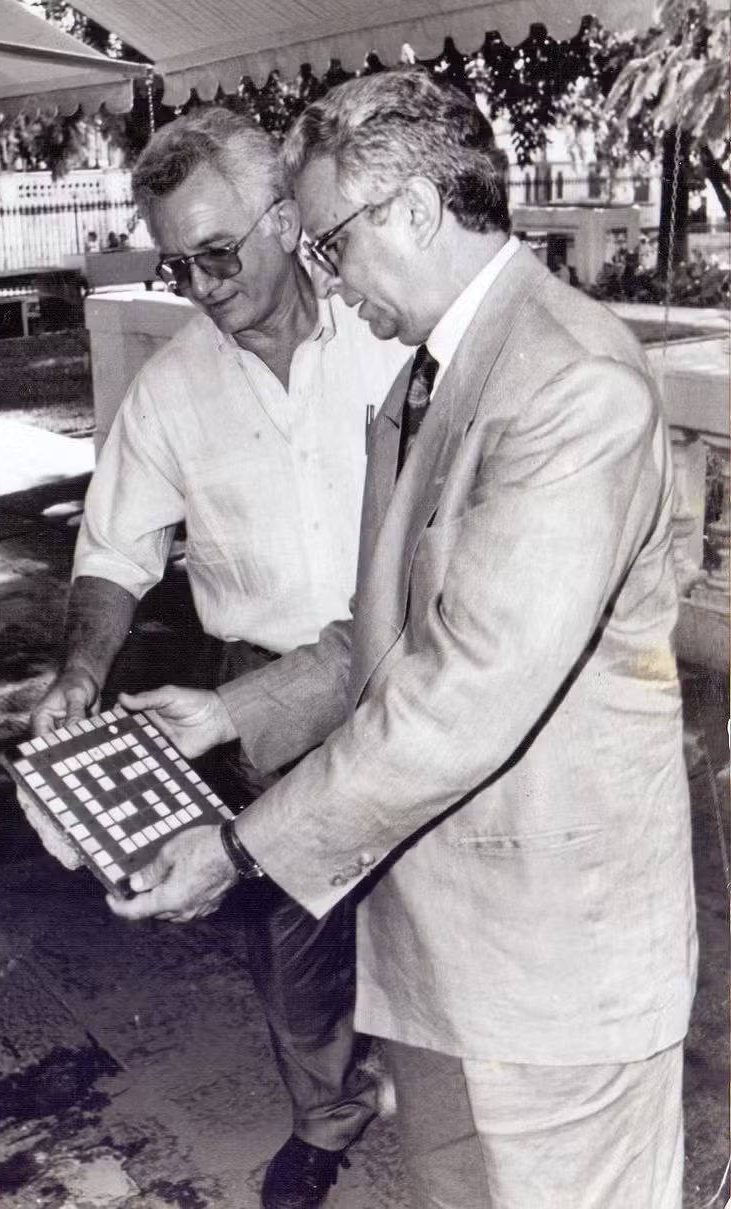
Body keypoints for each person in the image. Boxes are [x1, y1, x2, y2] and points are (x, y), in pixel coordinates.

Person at [107, 69, 698, 1209]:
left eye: (328, 241)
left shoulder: (569, 383)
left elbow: (459, 690)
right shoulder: (427, 383)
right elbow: (385, 636)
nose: (323, 276)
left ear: (416, 212)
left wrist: (238, 850)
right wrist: (228, 712)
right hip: (439, 949)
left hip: (554, 967)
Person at [30, 108, 412, 1209]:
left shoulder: (389, 337)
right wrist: (81, 671)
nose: (196, 285)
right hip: (254, 695)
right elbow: (114, 549)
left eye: (216, 253)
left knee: (438, 914)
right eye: (173, 263)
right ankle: (327, 1115)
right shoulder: (172, 387)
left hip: (412, 669)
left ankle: (448, 1100)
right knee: (294, 939)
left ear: (287, 221)